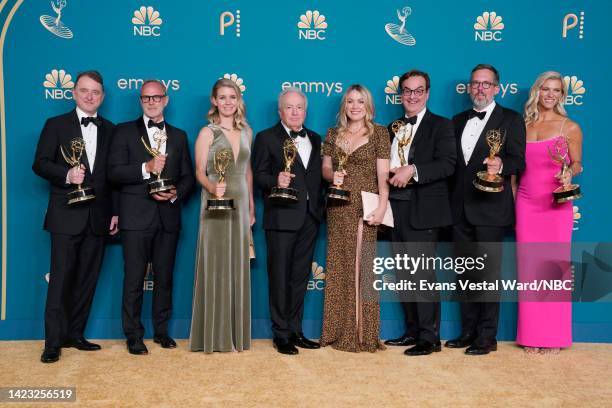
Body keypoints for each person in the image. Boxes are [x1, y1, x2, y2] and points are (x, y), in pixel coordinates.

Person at [33, 70, 118, 363]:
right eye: (84, 91)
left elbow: (113, 177)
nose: (90, 96)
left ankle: (75, 334)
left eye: (95, 92)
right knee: (60, 280)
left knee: (86, 279)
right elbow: (40, 163)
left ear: (103, 97)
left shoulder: (111, 129)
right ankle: (53, 342)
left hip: (98, 216)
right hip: (66, 214)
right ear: (73, 93)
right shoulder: (55, 125)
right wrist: (67, 174)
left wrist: (115, 211)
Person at [109, 80, 194, 355]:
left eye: (157, 97)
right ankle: (133, 335)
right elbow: (114, 173)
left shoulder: (179, 136)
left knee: (165, 278)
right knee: (133, 279)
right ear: (140, 101)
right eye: (146, 98)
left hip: (168, 216)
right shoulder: (123, 132)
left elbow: (188, 177)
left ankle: (162, 331)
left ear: (166, 100)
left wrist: (173, 194)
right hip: (135, 217)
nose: (152, 102)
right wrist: (145, 168)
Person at [446, 64, 526, 355]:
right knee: (465, 275)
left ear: (496, 88)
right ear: (469, 87)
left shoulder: (511, 119)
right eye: (475, 83)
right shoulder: (456, 121)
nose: (480, 88)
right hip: (459, 211)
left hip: (491, 210)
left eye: (486, 84)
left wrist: (502, 165)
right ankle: (467, 331)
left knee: (488, 276)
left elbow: (520, 160)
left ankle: (486, 337)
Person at [383, 70, 456, 355]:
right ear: (401, 94)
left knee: (421, 275)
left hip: (423, 211)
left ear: (427, 94)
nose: (412, 96)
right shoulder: (392, 127)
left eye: (418, 90)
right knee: (403, 274)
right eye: (407, 90)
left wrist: (412, 170)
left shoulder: (441, 125)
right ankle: (412, 331)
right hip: (396, 209)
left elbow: (448, 164)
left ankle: (429, 338)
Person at [514, 71, 582, 355]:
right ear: (537, 92)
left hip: (556, 205)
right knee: (529, 271)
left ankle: (554, 336)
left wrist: (569, 173)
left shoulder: (570, 127)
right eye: (546, 89)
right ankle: (531, 334)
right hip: (527, 204)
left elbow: (577, 163)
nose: (550, 94)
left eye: (556, 90)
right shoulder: (522, 125)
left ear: (562, 96)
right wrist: (513, 200)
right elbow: (515, 172)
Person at [252, 87, 324, 355]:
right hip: (281, 216)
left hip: (310, 218)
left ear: (306, 110)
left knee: (299, 278)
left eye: (300, 107)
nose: (295, 112)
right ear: (280, 111)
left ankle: (296, 330)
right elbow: (257, 175)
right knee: (280, 277)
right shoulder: (266, 138)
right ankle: (280, 333)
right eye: (289, 107)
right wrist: (274, 180)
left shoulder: (316, 139)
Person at [320, 84, 390, 352]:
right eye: (350, 101)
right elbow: (326, 167)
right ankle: (336, 332)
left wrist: (383, 206)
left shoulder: (380, 134)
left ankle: (362, 334)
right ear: (344, 106)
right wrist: (331, 176)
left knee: (363, 268)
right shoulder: (332, 134)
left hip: (364, 208)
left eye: (360, 101)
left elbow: (383, 176)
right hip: (338, 208)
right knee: (338, 268)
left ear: (368, 106)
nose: (355, 106)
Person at [189, 78, 255, 353]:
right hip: (216, 203)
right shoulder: (207, 132)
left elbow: (247, 172)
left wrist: (251, 206)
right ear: (214, 101)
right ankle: (215, 336)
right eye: (223, 97)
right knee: (216, 266)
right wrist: (212, 188)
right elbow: (199, 172)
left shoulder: (247, 131)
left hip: (240, 206)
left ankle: (236, 335)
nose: (228, 102)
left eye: (232, 97)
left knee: (237, 268)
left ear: (238, 100)